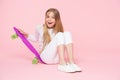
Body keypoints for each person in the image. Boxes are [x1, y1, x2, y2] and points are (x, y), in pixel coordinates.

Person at [19, 8, 81, 73]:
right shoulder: (40, 27)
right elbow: (35, 38)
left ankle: (71, 63)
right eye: (47, 17)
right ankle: (62, 64)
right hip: (46, 57)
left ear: (57, 20)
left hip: (57, 59)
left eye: (53, 17)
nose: (49, 19)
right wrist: (26, 35)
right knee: (60, 34)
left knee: (67, 33)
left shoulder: (58, 30)